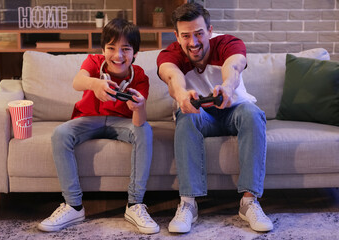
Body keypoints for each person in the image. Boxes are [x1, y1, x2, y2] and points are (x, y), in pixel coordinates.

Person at [157, 3, 273, 233]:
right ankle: (188, 204)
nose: (193, 42)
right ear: (177, 36)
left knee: (252, 113)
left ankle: (249, 203)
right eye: (186, 36)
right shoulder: (170, 54)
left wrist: (228, 87)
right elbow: (172, 77)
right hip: (200, 115)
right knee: (186, 115)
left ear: (210, 31)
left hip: (234, 111)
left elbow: (235, 66)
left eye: (199, 34)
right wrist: (182, 96)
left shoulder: (228, 43)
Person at [38, 18, 159, 234]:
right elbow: (78, 81)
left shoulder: (140, 77)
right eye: (111, 48)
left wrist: (138, 106)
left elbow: (139, 123)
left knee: (145, 130)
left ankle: (135, 204)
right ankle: (73, 206)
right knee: (60, 133)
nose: (118, 56)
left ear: (135, 54)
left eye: (125, 49)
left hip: (123, 123)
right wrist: (95, 84)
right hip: (88, 118)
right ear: (103, 49)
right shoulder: (94, 63)